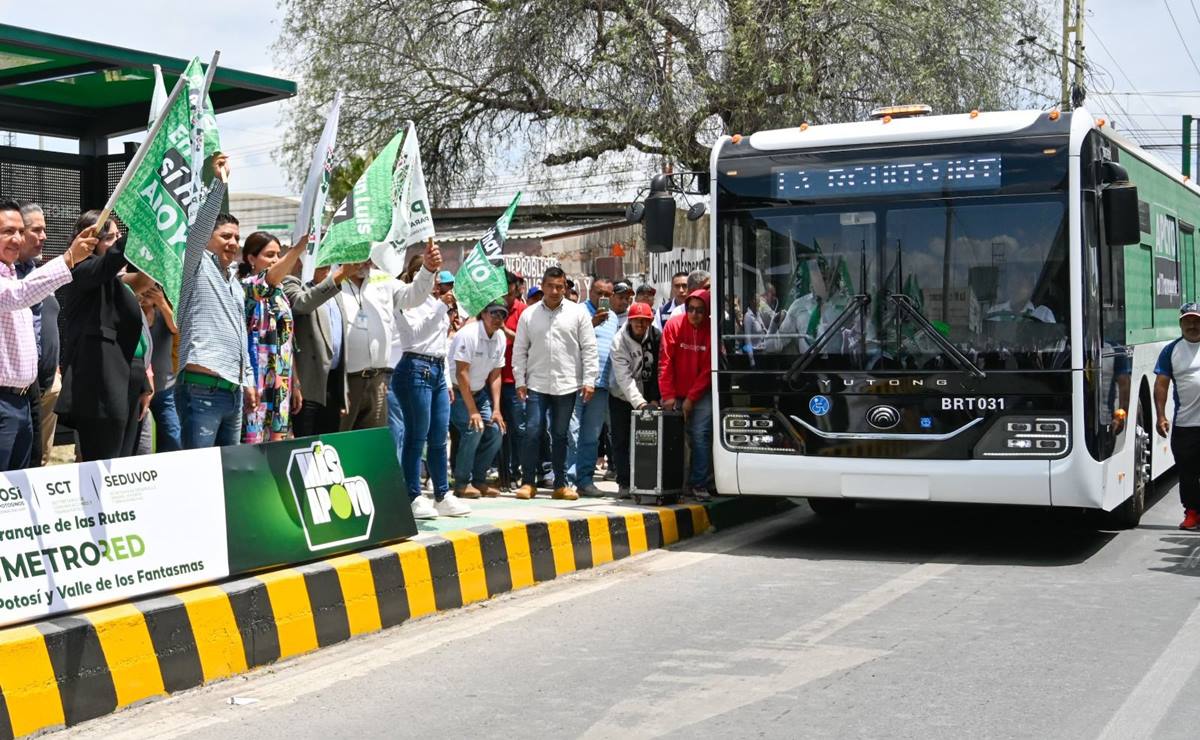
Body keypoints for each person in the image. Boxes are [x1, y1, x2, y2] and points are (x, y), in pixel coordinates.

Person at [0, 199, 94, 470]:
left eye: (20, 231)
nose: (17, 239)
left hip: (24, 399)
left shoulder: (15, 275)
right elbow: (19, 295)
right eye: (8, 231)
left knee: (18, 488)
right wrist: (68, 259)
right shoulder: (16, 284)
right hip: (4, 402)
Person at [56, 211, 153, 461]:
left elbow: (132, 335)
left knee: (124, 462)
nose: (117, 242)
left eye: (119, 236)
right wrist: (147, 222)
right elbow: (109, 262)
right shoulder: (82, 271)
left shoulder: (119, 283)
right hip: (100, 389)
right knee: (103, 462)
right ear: (90, 242)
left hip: (130, 380)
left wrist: (143, 382)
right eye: (110, 238)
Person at [176, 155, 257, 449]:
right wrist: (219, 184)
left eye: (237, 237)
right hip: (200, 391)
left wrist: (248, 380)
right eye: (225, 236)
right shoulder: (195, 265)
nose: (233, 243)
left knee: (227, 476)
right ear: (207, 239)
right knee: (198, 477)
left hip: (233, 394)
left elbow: (240, 335)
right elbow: (196, 230)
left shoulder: (235, 283)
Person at [393, 251, 469, 518]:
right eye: (430, 275)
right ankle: (412, 494)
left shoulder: (436, 303)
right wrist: (440, 307)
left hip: (436, 369)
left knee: (439, 436)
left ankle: (442, 493)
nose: (435, 282)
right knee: (417, 435)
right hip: (415, 367)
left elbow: (440, 346)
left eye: (436, 276)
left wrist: (446, 380)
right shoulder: (406, 299)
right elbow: (414, 336)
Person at [512, 266, 597, 500]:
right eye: (550, 286)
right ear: (542, 285)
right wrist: (520, 380)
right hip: (536, 383)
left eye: (559, 286)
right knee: (532, 431)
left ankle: (560, 484)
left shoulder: (577, 313)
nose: (555, 291)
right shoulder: (529, 314)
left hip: (567, 383)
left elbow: (589, 348)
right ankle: (528, 482)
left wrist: (589, 380)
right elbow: (519, 350)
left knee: (561, 434)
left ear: (565, 287)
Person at [336, 246, 438, 433]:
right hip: (344, 383)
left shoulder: (382, 279)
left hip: (377, 380)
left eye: (369, 255)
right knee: (340, 443)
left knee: (371, 446)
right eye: (360, 254)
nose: (366, 261)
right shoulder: (333, 282)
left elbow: (413, 296)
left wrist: (428, 270)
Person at [238, 231, 307, 443]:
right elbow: (267, 281)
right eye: (270, 255)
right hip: (256, 382)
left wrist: (294, 383)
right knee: (252, 447)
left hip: (281, 383)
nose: (276, 260)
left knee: (279, 447)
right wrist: (299, 248)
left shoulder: (281, 294)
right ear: (251, 258)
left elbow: (288, 341)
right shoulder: (246, 287)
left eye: (279, 254)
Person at [15, 202, 61, 466]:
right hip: (18, 388)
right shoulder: (9, 277)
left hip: (48, 384)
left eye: (45, 229)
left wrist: (56, 367)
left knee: (41, 461)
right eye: (37, 230)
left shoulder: (38, 273)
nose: (44, 236)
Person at [448, 301, 508, 499]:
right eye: (494, 313)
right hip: (457, 392)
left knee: (496, 430)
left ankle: (479, 480)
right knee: (474, 429)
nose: (498, 318)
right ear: (483, 313)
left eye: (502, 314)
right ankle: (462, 482)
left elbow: (496, 375)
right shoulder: (468, 334)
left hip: (479, 392)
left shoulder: (499, 337)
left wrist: (497, 409)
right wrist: (473, 411)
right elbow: (462, 373)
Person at [284, 262, 352, 438]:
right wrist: (339, 276)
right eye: (321, 263)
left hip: (332, 383)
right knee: (304, 444)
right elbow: (302, 304)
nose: (326, 268)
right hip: (307, 385)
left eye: (329, 263)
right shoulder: (293, 283)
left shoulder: (336, 290)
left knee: (327, 444)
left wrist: (343, 391)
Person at [660, 289, 714, 499]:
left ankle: (698, 483)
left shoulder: (711, 330)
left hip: (701, 394)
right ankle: (674, 484)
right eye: (690, 309)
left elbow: (708, 369)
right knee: (674, 439)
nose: (694, 314)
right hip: (675, 392)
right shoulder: (674, 324)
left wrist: (691, 399)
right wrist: (669, 395)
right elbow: (665, 361)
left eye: (700, 310)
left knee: (700, 436)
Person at [570, 276, 618, 497]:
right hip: (576, 382)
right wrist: (593, 323)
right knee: (572, 432)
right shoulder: (577, 312)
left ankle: (585, 481)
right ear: (590, 292)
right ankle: (568, 479)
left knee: (591, 435)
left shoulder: (615, 318)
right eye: (599, 293)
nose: (603, 298)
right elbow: (568, 342)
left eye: (608, 294)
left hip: (600, 385)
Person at [609, 301, 662, 497]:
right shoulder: (619, 341)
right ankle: (623, 482)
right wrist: (640, 404)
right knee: (621, 440)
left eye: (644, 321)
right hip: (621, 395)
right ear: (629, 321)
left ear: (649, 322)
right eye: (636, 321)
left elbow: (660, 369)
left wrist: (655, 399)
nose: (640, 325)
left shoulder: (656, 337)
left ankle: (645, 481)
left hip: (649, 396)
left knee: (647, 441)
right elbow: (624, 378)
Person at [1156, 303, 1200, 530]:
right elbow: (1161, 385)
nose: (1193, 325)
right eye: (1188, 321)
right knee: (1188, 473)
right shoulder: (1171, 351)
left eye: (1197, 321)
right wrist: (1160, 415)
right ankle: (1192, 513)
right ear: (1181, 324)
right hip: (1186, 425)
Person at [139, 278, 182, 451]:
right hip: (140, 389)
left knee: (173, 437)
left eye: (153, 288)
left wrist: (162, 303)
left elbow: (177, 328)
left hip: (166, 388)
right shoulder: (134, 312)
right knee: (142, 443)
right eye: (144, 287)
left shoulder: (164, 313)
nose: (148, 292)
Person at [499, 270, 527, 489]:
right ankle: (502, 474)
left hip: (515, 380)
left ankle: (517, 470)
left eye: (509, 291)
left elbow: (526, 341)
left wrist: (504, 329)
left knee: (518, 429)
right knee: (499, 431)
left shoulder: (524, 311)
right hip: (494, 380)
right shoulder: (491, 309)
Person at [987, 272, 1055, 323]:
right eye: (1012, 283)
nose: (1015, 288)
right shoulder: (994, 311)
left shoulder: (1043, 314)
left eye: (1020, 284)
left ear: (1030, 288)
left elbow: (1058, 340)